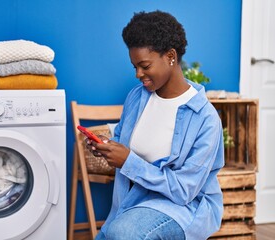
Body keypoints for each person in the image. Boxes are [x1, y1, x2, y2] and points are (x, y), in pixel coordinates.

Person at [86, 10, 224, 240]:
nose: (138, 74)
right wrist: (107, 148)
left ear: (170, 56)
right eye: (135, 67)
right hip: (136, 201)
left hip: (182, 207)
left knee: (123, 234)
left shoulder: (205, 119)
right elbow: (123, 140)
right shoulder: (137, 97)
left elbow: (184, 191)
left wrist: (128, 161)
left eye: (145, 66)